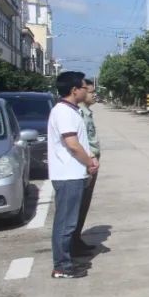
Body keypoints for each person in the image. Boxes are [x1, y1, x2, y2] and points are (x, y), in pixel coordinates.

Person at [48, 72, 98, 279]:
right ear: (73, 90)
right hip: (68, 175)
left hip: (73, 174)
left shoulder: (70, 110)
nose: (86, 91)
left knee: (68, 221)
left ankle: (65, 261)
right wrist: (89, 162)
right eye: (83, 88)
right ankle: (62, 267)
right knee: (66, 223)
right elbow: (72, 144)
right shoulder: (64, 112)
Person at [72, 78, 101, 257]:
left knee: (84, 205)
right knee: (79, 205)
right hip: (86, 163)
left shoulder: (86, 112)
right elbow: (79, 142)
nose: (93, 94)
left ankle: (77, 240)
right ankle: (73, 243)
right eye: (90, 92)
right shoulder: (79, 114)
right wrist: (89, 162)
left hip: (91, 162)